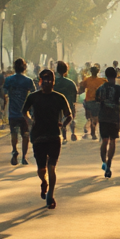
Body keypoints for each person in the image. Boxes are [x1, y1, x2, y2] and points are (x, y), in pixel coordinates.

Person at [24, 68, 73, 210]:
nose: (46, 83)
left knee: (52, 167)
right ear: (39, 81)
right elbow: (24, 111)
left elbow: (68, 115)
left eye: (49, 80)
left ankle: (50, 195)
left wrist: (63, 124)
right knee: (41, 169)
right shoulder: (33, 97)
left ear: (53, 82)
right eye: (44, 80)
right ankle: (43, 181)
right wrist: (29, 120)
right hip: (38, 136)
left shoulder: (59, 97)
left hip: (53, 136)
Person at [94, 67, 120, 177]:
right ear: (116, 76)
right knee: (112, 141)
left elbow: (96, 100)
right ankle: (109, 163)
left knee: (104, 141)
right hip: (114, 118)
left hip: (103, 117)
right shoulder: (118, 88)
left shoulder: (100, 88)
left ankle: (104, 163)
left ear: (106, 76)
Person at [3, 58, 35, 165]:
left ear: (14, 67)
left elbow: (3, 91)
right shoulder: (28, 81)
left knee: (13, 133)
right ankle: (24, 157)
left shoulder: (9, 80)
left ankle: (14, 150)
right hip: (25, 113)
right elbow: (34, 94)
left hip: (13, 112)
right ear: (25, 68)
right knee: (25, 134)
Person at [54, 60, 79, 142]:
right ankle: (73, 133)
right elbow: (75, 97)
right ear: (66, 71)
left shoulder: (54, 83)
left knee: (59, 120)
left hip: (56, 106)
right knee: (71, 118)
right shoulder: (71, 83)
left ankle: (63, 136)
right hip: (69, 105)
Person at [79, 64, 106, 139]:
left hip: (89, 101)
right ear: (98, 72)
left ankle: (93, 132)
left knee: (91, 117)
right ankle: (94, 132)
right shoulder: (102, 81)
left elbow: (81, 89)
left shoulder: (87, 80)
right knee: (96, 117)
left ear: (91, 72)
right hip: (98, 102)